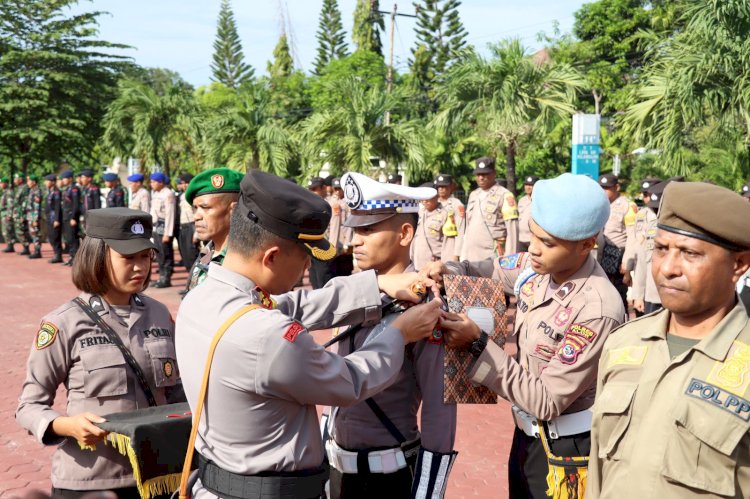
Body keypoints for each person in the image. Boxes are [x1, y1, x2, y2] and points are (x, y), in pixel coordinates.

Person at [175, 169, 442, 499]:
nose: (307, 270)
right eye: (305, 258)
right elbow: (351, 380)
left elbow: (287, 305)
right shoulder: (269, 336)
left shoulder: (201, 298)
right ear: (272, 256)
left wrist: (376, 285)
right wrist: (399, 333)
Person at [424, 173, 627, 499]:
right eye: (532, 235)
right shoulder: (537, 267)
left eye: (547, 243)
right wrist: (448, 269)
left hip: (565, 454)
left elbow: (547, 401)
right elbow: (488, 268)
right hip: (526, 439)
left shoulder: (596, 308)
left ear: (587, 245)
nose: (532, 250)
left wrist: (477, 345)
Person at [588, 181, 750, 498]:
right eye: (661, 249)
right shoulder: (624, 343)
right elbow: (598, 468)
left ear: (739, 264)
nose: (668, 268)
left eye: (690, 253)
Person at [16, 208, 185, 498]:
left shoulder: (158, 314)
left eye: (145, 256)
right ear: (98, 256)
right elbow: (28, 406)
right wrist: (65, 426)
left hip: (155, 476)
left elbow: (177, 393)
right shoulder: (63, 323)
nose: (140, 267)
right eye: (128, 258)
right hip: (91, 479)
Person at [325, 172, 458, 499]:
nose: (355, 240)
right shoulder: (352, 293)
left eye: (368, 230)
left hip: (390, 477)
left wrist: (428, 494)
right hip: (339, 470)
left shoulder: (425, 305)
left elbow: (440, 411)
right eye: (355, 229)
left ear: (404, 233)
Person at [183, 167, 242, 292]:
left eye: (205, 207)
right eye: (195, 208)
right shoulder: (207, 252)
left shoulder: (248, 260)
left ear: (234, 211)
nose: (196, 216)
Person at [461, 156, 519, 261]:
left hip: (492, 256)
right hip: (471, 255)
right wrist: (463, 255)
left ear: (494, 173)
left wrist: (510, 260)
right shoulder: (474, 195)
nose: (481, 178)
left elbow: (512, 231)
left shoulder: (504, 195)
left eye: (485, 174)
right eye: (478, 174)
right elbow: (467, 228)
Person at [597, 174, 638, 308]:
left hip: (619, 255)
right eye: (601, 187)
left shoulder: (627, 206)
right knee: (602, 292)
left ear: (617, 187)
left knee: (618, 295)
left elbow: (632, 237)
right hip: (603, 254)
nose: (603, 191)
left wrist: (626, 263)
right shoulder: (600, 204)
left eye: (607, 188)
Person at [412, 183, 458, 270]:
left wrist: (446, 267)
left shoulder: (446, 215)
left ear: (437, 196)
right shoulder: (419, 213)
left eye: (428, 197)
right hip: (417, 264)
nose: (424, 200)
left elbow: (449, 245)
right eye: (422, 197)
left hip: (434, 267)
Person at [307, 176, 336, 289]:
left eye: (315, 189)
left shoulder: (331, 204)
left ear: (323, 188)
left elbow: (334, 226)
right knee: (314, 277)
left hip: (325, 245)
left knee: (324, 277)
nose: (313, 192)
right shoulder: (310, 203)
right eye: (311, 189)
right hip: (312, 245)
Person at [149, 172, 175, 288]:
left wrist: (167, 233)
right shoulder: (155, 193)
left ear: (160, 182)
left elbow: (170, 214)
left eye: (153, 182)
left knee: (165, 253)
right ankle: (161, 277)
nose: (151, 184)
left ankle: (166, 278)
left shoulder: (168, 194)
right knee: (159, 253)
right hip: (156, 226)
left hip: (164, 227)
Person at [328, 177, 354, 278]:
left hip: (346, 241)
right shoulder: (329, 203)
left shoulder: (349, 203)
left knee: (346, 272)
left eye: (340, 188)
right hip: (334, 242)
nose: (338, 191)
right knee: (334, 273)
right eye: (336, 189)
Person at [434, 174, 464, 261]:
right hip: (434, 249)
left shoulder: (456, 205)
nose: (441, 189)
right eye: (439, 186)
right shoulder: (433, 203)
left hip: (449, 247)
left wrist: (457, 253)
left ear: (451, 187)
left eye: (444, 186)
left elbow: (460, 230)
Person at [175, 173, 199, 270]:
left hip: (191, 226)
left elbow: (197, 214)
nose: (184, 185)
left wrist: (196, 233)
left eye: (186, 183)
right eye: (183, 183)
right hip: (183, 227)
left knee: (192, 252)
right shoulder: (182, 196)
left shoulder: (195, 196)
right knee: (185, 253)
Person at [61, 170, 82, 266]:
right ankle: (71, 257)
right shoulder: (67, 189)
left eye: (64, 178)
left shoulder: (74, 189)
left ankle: (76, 259)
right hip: (66, 217)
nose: (63, 180)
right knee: (69, 239)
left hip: (71, 217)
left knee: (73, 239)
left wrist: (73, 217)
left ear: (70, 179)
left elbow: (76, 205)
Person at [44, 174, 64, 264]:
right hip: (49, 218)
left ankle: (58, 255)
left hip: (54, 219)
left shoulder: (56, 192)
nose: (45, 183)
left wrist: (56, 219)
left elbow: (57, 207)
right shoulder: (50, 191)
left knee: (55, 237)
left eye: (47, 181)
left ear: (52, 182)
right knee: (51, 237)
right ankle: (56, 254)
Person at [518, 175, 539, 252]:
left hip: (533, 238)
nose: (528, 187)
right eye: (526, 185)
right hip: (521, 238)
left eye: (531, 185)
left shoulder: (539, 201)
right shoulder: (521, 200)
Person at [25, 174, 43, 259]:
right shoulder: (32, 190)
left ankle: (37, 251)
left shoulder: (37, 191)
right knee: (33, 233)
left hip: (34, 216)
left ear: (34, 182)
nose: (27, 183)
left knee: (36, 233)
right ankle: (36, 250)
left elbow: (36, 206)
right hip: (30, 216)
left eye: (29, 181)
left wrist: (35, 219)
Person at [12, 172, 30, 255]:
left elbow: (25, 202)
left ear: (21, 179)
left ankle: (26, 247)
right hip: (18, 213)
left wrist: (23, 214)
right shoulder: (19, 188)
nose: (14, 180)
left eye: (16, 179)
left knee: (22, 231)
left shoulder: (25, 188)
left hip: (22, 214)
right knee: (19, 231)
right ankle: (25, 247)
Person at [1, 176, 15, 253]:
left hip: (6, 214)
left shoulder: (9, 192)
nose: (0, 184)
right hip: (3, 214)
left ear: (6, 183)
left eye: (1, 183)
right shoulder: (5, 191)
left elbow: (11, 204)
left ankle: (10, 246)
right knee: (5, 231)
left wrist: (9, 215)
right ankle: (9, 245)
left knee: (8, 230)